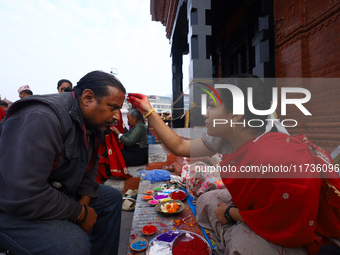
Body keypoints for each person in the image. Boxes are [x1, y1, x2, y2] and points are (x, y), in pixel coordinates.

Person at [127, 74, 340, 255]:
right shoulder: (228, 134)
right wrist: (149, 111)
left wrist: (231, 214)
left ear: (236, 115)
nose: (204, 113)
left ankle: (233, 234)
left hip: (295, 227)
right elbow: (181, 146)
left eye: (211, 106)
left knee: (242, 246)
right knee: (207, 199)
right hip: (259, 209)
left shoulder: (275, 155)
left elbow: (287, 219)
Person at [0, 70, 125, 255]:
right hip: (11, 207)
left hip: (55, 192)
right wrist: (79, 213)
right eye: (113, 107)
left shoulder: (92, 123)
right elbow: (25, 194)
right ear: (88, 97)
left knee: (111, 198)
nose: (117, 116)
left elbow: (90, 167)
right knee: (72, 244)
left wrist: (84, 203)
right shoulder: (42, 117)